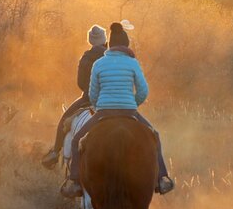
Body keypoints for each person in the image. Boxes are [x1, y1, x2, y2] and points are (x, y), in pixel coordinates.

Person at [60, 22, 175, 198]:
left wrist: (101, 106)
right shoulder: (133, 63)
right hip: (129, 112)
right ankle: (162, 178)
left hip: (104, 112)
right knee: (154, 135)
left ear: (110, 44)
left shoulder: (99, 63)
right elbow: (143, 90)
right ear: (126, 44)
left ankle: (75, 181)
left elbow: (92, 92)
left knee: (76, 140)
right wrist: (132, 104)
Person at [40, 25, 108, 169]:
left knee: (64, 119)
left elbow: (80, 83)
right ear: (104, 40)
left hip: (88, 98)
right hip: (108, 99)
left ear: (90, 41)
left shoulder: (86, 57)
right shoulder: (111, 56)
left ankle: (55, 152)